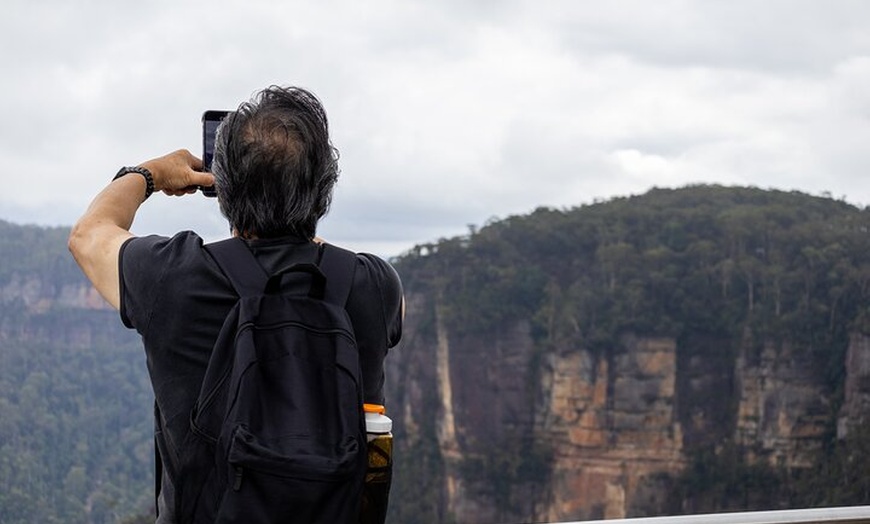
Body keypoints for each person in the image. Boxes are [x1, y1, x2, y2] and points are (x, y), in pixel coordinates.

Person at [68, 85, 404, 522]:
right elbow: (360, 285)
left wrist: (149, 174)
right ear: (325, 186)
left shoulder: (176, 279)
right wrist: (298, 219)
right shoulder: (375, 287)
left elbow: (89, 234)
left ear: (222, 187)